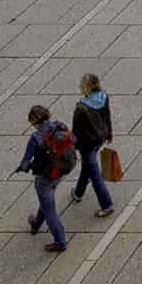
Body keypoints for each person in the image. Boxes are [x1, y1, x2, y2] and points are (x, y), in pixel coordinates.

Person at [17, 104, 76, 251]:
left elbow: (25, 163)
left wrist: (24, 167)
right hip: (61, 171)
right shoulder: (59, 126)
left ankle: (60, 241)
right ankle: (36, 223)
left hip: (45, 177)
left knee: (49, 209)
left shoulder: (36, 138)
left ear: (34, 122)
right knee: (46, 200)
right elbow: (73, 139)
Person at [68, 74, 115, 218]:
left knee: (95, 176)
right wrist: (109, 134)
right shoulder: (104, 97)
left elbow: (76, 131)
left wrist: (73, 146)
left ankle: (106, 205)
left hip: (86, 144)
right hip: (100, 138)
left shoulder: (81, 107)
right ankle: (78, 192)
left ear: (85, 87)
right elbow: (107, 116)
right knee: (88, 166)